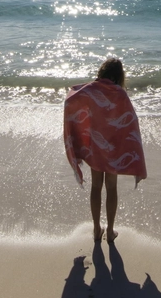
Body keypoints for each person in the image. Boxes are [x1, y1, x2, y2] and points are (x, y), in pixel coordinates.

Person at [63, 57, 147, 244]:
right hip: (113, 148)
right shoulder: (120, 94)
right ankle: (109, 231)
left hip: (95, 147)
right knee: (111, 187)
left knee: (95, 186)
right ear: (119, 75)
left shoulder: (91, 90)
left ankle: (95, 229)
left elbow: (71, 100)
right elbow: (131, 121)